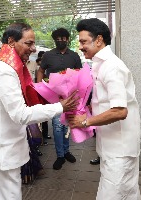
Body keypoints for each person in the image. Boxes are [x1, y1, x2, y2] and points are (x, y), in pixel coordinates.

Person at [0, 23, 79, 200]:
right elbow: (20, 114)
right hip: (3, 149)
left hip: (7, 145)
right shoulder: (5, 72)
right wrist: (60, 107)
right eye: (29, 43)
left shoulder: (11, 67)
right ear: (11, 41)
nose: (33, 49)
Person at [68, 18, 141, 199]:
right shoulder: (100, 65)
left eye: (84, 41)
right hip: (112, 145)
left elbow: (119, 111)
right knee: (127, 193)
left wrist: (85, 122)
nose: (81, 46)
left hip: (119, 148)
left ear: (99, 40)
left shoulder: (112, 67)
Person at [37, 28, 82, 170]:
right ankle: (60, 155)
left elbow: (80, 74)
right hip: (54, 97)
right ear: (54, 40)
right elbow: (40, 71)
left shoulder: (74, 56)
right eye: (58, 39)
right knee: (57, 126)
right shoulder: (48, 55)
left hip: (70, 97)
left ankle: (67, 151)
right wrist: (39, 88)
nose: (61, 41)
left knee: (67, 125)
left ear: (67, 39)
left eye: (63, 38)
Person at [36, 51, 51, 142]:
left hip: (44, 93)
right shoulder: (34, 66)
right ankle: (38, 136)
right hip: (36, 92)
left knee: (44, 116)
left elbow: (46, 79)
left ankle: (44, 134)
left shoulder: (46, 69)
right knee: (38, 116)